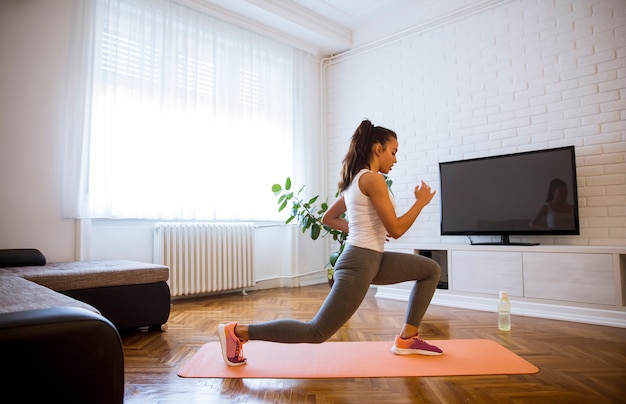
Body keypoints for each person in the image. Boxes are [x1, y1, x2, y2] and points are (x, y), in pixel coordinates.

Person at [218, 119, 443, 366]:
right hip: (360, 262)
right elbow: (397, 229)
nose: (395, 159)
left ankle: (407, 338)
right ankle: (237, 332)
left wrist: (363, 227)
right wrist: (421, 202)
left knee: (430, 270)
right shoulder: (372, 180)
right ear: (377, 149)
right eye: (393, 152)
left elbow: (329, 218)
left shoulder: (357, 180)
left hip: (372, 258)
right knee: (316, 332)